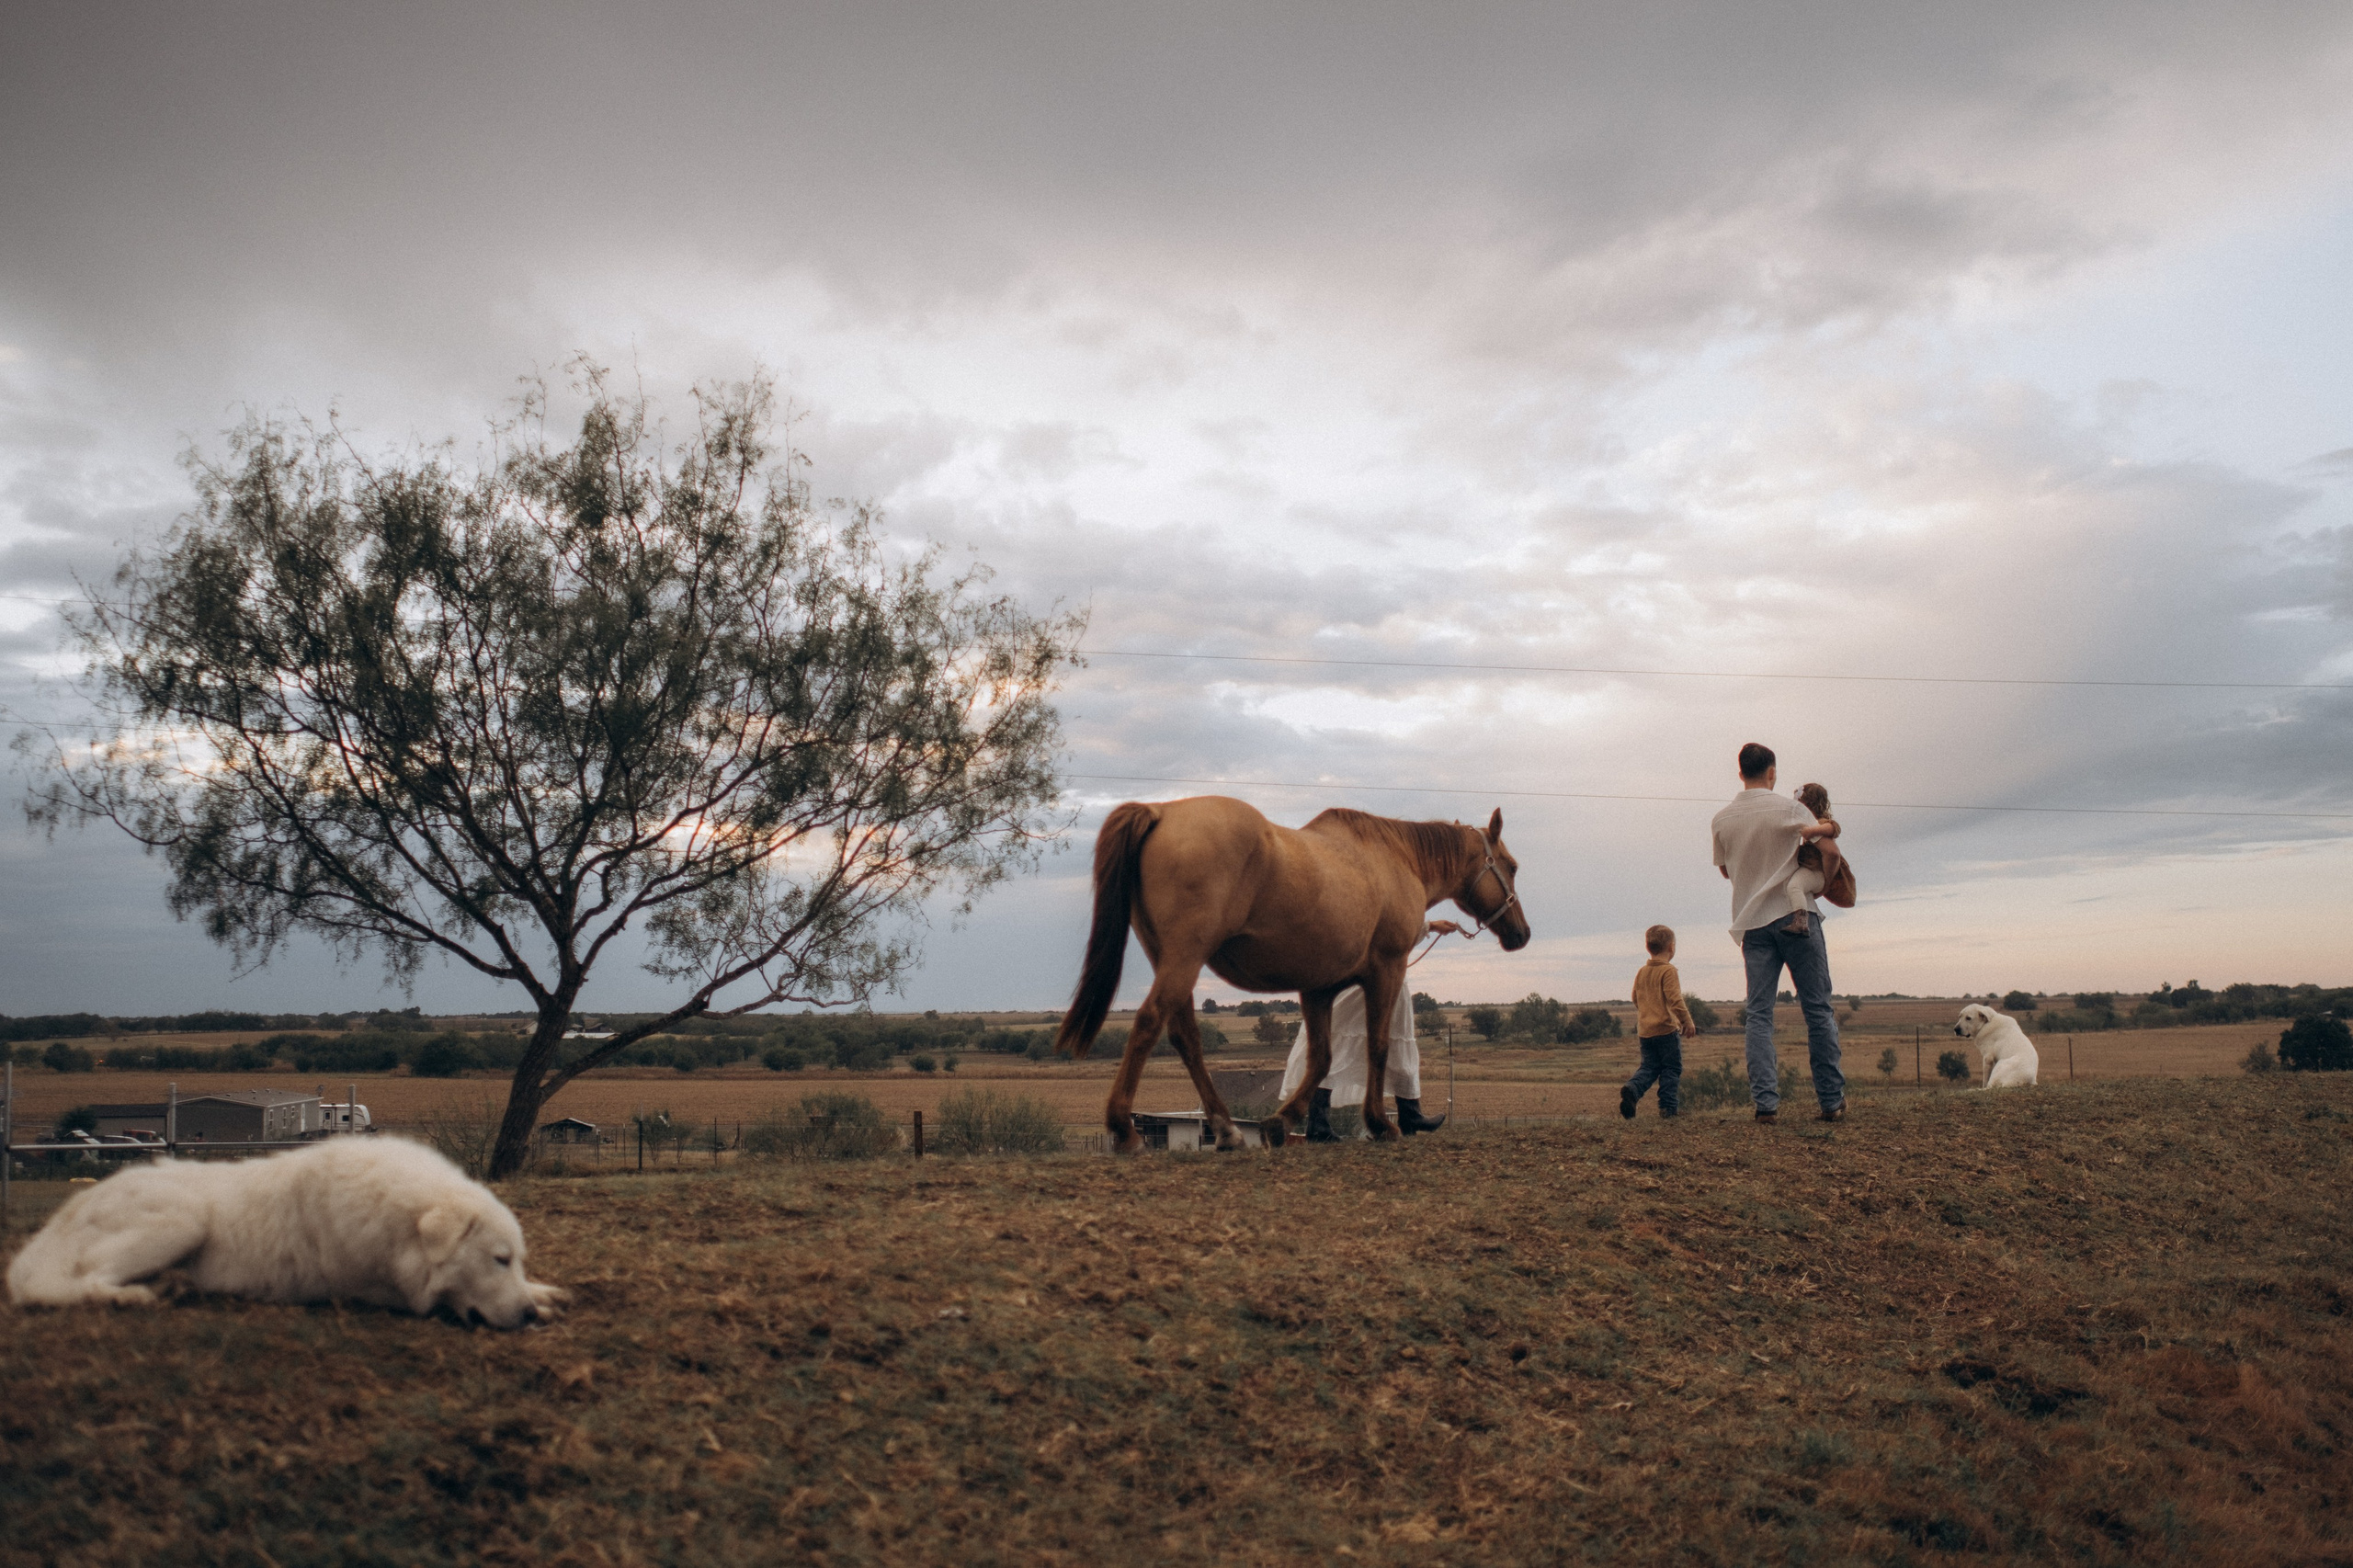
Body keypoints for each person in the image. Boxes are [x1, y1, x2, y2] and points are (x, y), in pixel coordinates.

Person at [1711, 743, 1847, 1124]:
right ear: (1772, 771)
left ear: (1740, 773)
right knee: (1817, 1009)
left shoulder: (1721, 819)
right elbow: (1832, 852)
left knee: (1758, 1015)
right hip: (1795, 916)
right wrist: (1821, 888)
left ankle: (1766, 1106)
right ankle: (1831, 1102)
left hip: (1751, 923)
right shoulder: (1791, 809)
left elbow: (1725, 871)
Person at [1279, 920, 1461, 1141]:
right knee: (1338, 1046)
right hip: (1364, 975)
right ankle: (1319, 1126)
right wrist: (1429, 926)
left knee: (1389, 1046)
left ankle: (1408, 1114)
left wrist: (1428, 926)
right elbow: (1392, 924)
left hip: (1377, 974)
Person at [1622, 924, 1699, 1119]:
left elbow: (1635, 997)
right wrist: (1686, 1021)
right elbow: (1675, 999)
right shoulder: (1668, 970)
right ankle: (1668, 1108)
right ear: (1671, 947)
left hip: (1645, 1032)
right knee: (1671, 1068)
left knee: (1649, 1067)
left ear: (1648, 947)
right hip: (1665, 1031)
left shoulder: (1642, 971)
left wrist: (1648, 1014)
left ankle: (1633, 1089)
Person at [1777, 782, 1854, 936]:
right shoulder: (1808, 823)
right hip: (1811, 871)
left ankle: (1801, 922)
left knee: (1795, 886)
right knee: (1795, 886)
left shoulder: (1820, 823)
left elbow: (1834, 828)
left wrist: (1813, 831)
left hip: (1816, 872)